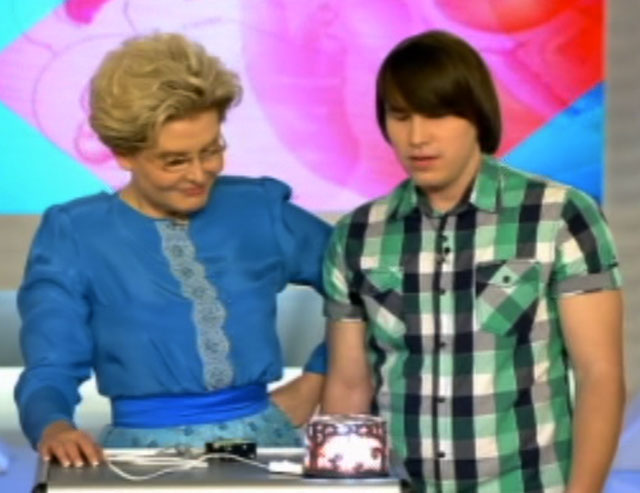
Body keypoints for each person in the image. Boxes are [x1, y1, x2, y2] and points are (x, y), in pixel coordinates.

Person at [322, 30, 625, 493]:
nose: (417, 137)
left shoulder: (559, 215)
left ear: (476, 115)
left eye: (437, 114)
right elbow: (349, 386)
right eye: (401, 116)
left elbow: (599, 376)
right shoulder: (357, 235)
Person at [15, 32, 330, 468]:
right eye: (175, 160)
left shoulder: (259, 208)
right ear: (124, 153)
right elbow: (51, 366)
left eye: (211, 150)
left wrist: (318, 377)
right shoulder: (75, 233)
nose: (199, 174)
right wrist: (53, 425)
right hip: (143, 458)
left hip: (268, 444)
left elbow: (368, 282)